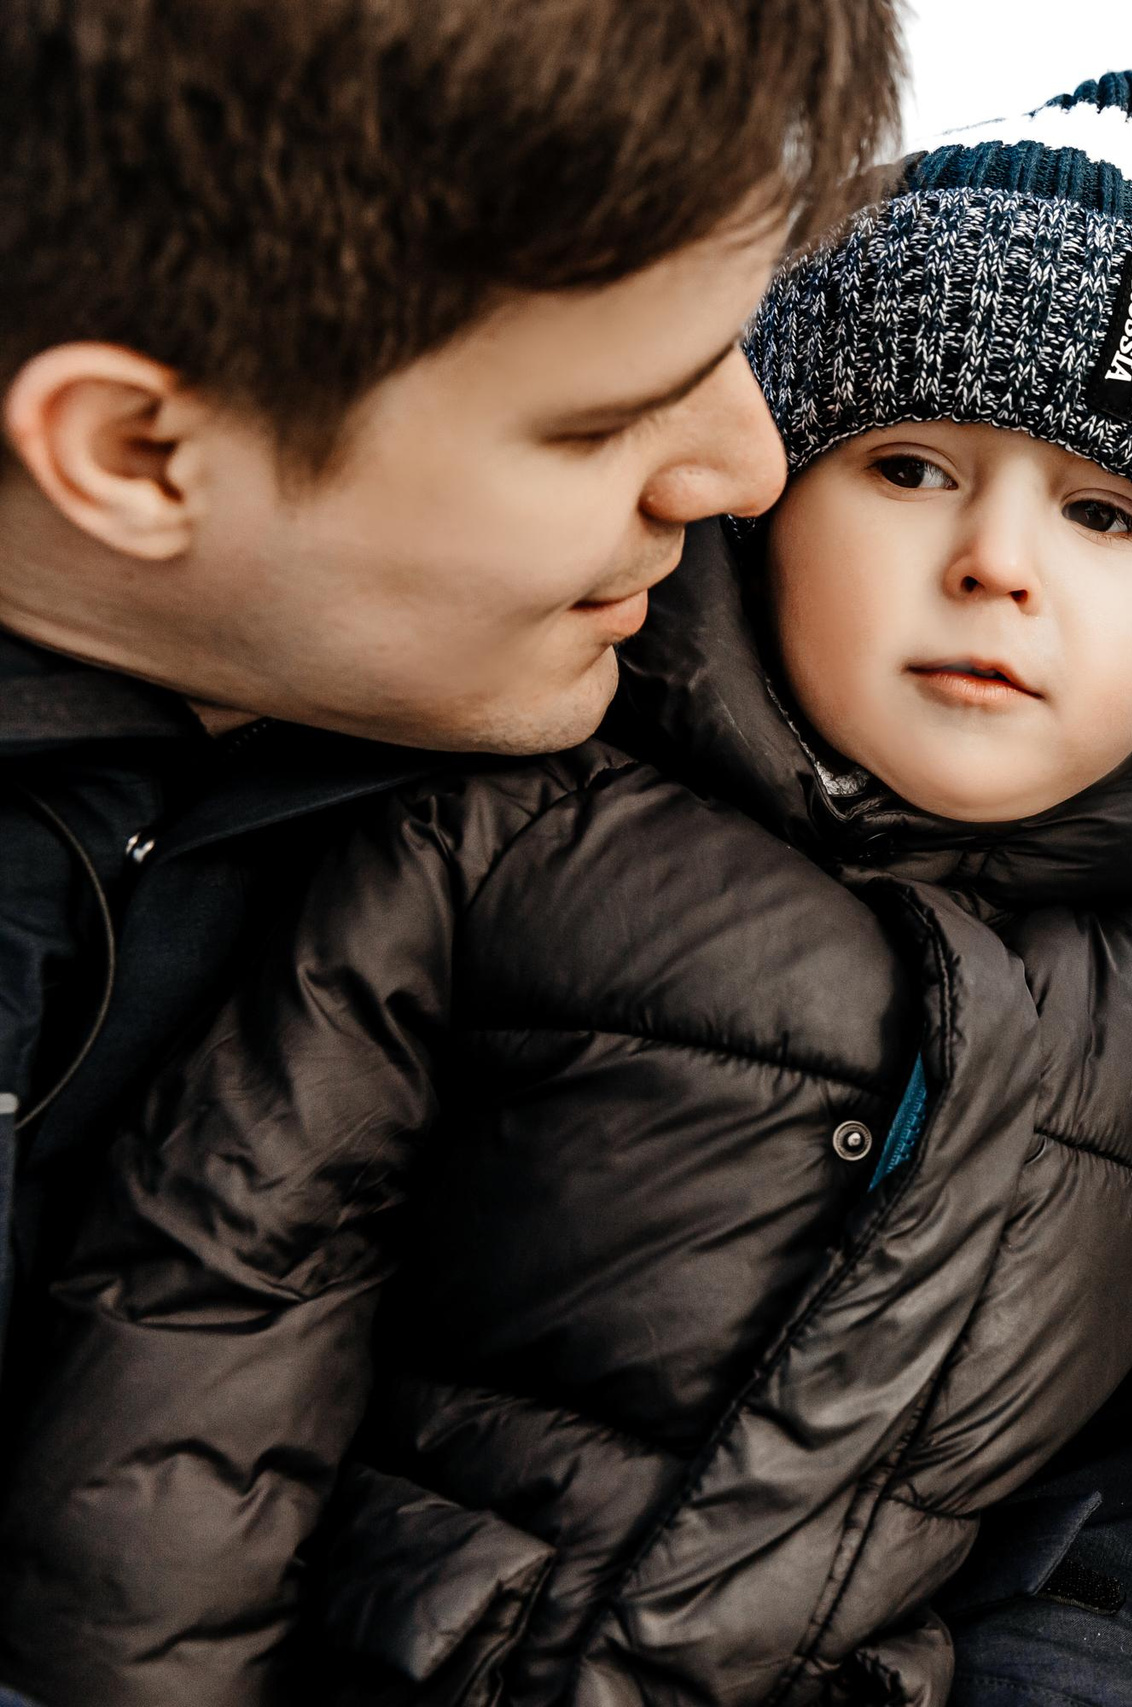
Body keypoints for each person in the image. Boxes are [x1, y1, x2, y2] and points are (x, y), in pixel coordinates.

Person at [0, 73, 1132, 1707]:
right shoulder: (512, 836)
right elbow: (226, 1279)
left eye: (1105, 513)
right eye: (910, 466)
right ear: (770, 503)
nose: (999, 559)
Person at [0, 0, 902, 1480]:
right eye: (603, 421)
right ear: (138, 452)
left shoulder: (729, 729)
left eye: (738, 341)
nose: (750, 470)